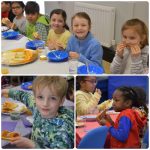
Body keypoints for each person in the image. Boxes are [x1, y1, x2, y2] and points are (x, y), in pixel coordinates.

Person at [2, 76, 74, 148]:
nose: (45, 104)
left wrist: (32, 145)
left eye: (53, 98)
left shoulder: (62, 131)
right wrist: (8, 92)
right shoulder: (37, 107)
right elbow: (26, 97)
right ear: (35, 97)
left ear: (61, 101)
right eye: (40, 97)